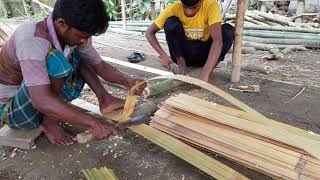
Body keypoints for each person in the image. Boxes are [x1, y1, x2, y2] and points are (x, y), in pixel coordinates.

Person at [0, 0, 146, 145]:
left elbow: (100, 65)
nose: (84, 41)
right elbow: (41, 100)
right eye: (81, 36)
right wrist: (94, 123)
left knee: (79, 56)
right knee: (56, 61)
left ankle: (105, 100)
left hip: (36, 94)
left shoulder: (75, 34)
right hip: (13, 110)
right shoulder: (32, 39)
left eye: (88, 37)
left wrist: (128, 81)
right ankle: (48, 120)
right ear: (62, 23)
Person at [146, 0, 235, 82]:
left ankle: (209, 68)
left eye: (194, 7)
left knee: (228, 31)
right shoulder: (174, 8)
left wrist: (205, 74)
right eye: (185, 7)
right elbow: (149, 32)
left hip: (206, 55)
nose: (189, 12)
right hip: (185, 54)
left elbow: (217, 41)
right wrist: (163, 55)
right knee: (170, 23)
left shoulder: (211, 5)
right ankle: (181, 64)